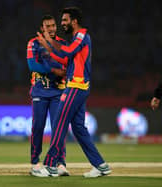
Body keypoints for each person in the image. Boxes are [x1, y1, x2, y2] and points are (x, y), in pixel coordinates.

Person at [33, 7, 111, 178]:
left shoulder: (81, 35)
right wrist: (47, 43)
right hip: (77, 86)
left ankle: (51, 165)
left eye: (65, 20)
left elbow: (67, 52)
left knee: (60, 121)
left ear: (74, 21)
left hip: (76, 86)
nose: (62, 24)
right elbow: (65, 58)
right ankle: (100, 165)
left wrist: (50, 41)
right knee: (78, 128)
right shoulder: (76, 38)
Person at [26, 15, 69, 176]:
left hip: (59, 91)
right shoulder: (33, 43)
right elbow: (32, 65)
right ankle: (35, 163)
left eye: (53, 25)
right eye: (47, 26)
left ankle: (60, 164)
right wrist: (54, 70)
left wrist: (64, 72)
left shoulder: (63, 43)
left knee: (59, 128)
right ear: (42, 28)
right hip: (40, 91)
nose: (51, 28)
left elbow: (67, 63)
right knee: (38, 127)